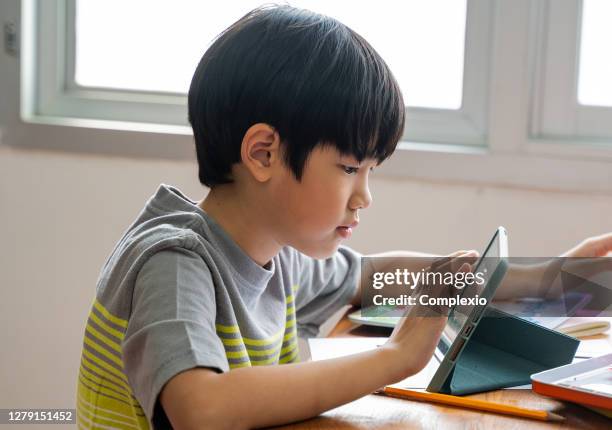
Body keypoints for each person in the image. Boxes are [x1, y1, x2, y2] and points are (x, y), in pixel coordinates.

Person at [75, 5, 612, 430]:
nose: (364, 196)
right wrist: (396, 356)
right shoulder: (174, 263)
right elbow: (202, 410)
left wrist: (544, 276)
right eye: (351, 167)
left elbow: (373, 276)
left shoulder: (272, 251)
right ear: (263, 154)